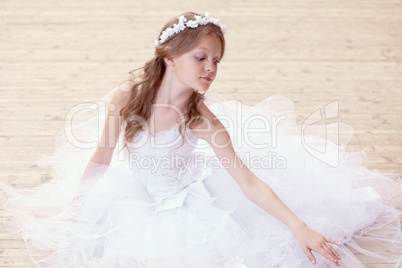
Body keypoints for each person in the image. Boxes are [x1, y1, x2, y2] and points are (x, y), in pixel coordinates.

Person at [0, 11, 401, 268]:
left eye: (216, 61)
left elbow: (248, 182)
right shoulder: (127, 97)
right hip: (138, 197)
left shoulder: (201, 120)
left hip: (191, 199)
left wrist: (298, 226)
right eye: (201, 57)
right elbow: (101, 159)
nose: (210, 69)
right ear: (170, 56)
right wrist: (76, 211)